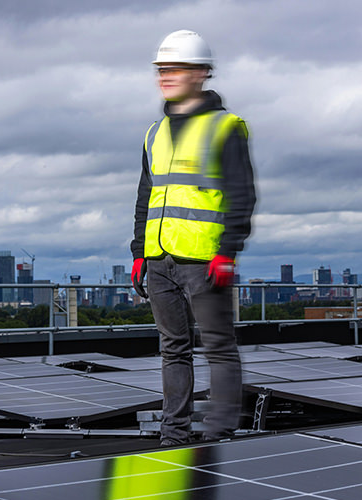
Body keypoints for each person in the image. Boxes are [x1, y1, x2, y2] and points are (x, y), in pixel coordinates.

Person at [130, 30, 256, 446]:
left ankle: (220, 435)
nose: (166, 76)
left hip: (205, 259)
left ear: (201, 73)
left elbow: (241, 194)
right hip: (158, 259)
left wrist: (227, 251)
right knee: (173, 350)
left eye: (176, 68)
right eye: (161, 69)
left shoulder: (226, 127)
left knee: (218, 347)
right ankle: (174, 435)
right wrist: (138, 252)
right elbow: (146, 194)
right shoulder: (154, 132)